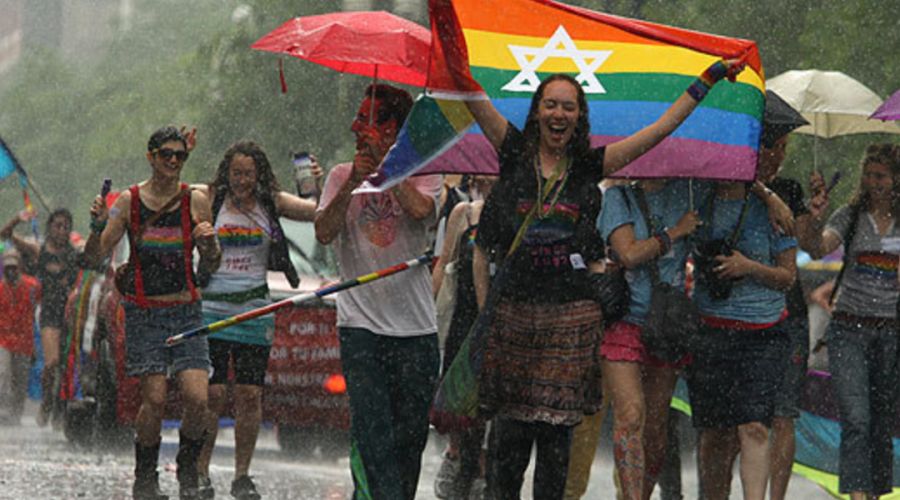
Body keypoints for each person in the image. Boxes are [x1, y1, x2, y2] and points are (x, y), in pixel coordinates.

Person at [462, 55, 745, 498]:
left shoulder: (592, 167)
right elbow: (471, 95)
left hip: (571, 325)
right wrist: (447, 39)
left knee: (556, 447)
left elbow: (660, 130)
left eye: (569, 107)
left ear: (579, 116)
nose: (559, 114)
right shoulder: (514, 152)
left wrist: (706, 81)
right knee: (509, 446)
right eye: (551, 105)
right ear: (537, 111)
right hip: (514, 321)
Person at [314, 84, 442, 500]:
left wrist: (387, 168)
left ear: (394, 130)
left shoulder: (425, 169)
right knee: (372, 435)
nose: (358, 130)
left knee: (409, 442)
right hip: (361, 328)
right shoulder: (338, 176)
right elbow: (324, 230)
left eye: (370, 121)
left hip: (415, 331)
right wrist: (354, 178)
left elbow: (422, 212)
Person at [83, 126, 221, 500]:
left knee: (198, 399)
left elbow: (212, 262)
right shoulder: (129, 202)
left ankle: (188, 470)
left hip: (187, 312)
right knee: (156, 399)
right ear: (151, 156)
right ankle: (145, 476)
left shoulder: (196, 200)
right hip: (145, 314)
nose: (173, 161)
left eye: (180, 156)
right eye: (166, 155)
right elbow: (94, 257)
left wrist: (210, 246)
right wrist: (96, 227)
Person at [191, 141, 319, 500]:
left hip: (255, 313)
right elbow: (175, 197)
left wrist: (318, 186)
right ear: (226, 173)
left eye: (248, 174)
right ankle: (200, 472)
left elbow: (316, 212)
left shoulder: (271, 202)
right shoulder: (210, 199)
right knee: (212, 396)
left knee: (249, 395)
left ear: (258, 174)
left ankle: (242, 476)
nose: (242, 181)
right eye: (236, 173)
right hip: (212, 312)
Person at [802, 143, 900, 500]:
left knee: (880, 423)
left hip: (890, 332)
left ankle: (874, 492)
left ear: (895, 180)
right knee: (856, 419)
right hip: (849, 330)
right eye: (869, 175)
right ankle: (857, 494)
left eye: (881, 176)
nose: (874, 182)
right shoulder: (852, 215)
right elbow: (817, 246)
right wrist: (814, 217)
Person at [688, 179, 797, 500]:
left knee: (755, 426)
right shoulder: (698, 199)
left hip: (763, 334)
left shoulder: (774, 210)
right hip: (710, 330)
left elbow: (788, 277)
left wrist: (747, 267)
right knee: (714, 433)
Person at [432, 174, 497, 499]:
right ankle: (459, 460)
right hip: (465, 319)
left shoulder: (524, 213)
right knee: (461, 401)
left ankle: (483, 470)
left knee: (491, 402)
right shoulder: (465, 213)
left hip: (503, 319)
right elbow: (444, 266)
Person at [0, 208, 79, 426]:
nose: (61, 231)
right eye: (57, 226)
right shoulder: (39, 251)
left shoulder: (74, 254)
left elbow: (91, 259)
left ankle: (60, 406)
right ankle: (46, 401)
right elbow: (4, 234)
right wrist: (18, 218)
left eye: (66, 226)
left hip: (71, 314)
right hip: (50, 314)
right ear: (50, 227)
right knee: (51, 363)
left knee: (66, 366)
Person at [0, 248, 41, 425]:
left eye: (14, 267)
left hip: (25, 342)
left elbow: (42, 304)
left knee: (21, 381)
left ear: (20, 267)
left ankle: (16, 415)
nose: (11, 271)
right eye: (8, 267)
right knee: (2, 373)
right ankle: (3, 409)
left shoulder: (32, 286)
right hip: (3, 340)